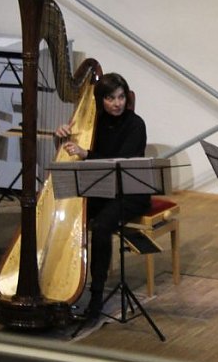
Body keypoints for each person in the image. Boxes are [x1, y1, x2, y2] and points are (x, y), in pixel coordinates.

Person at [55, 72, 149, 319]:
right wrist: (62, 137)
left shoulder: (135, 124)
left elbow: (121, 162)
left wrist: (86, 154)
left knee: (101, 227)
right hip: (101, 189)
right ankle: (60, 282)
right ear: (101, 100)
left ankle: (96, 297)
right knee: (65, 218)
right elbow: (70, 155)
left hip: (130, 192)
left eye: (120, 97)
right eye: (110, 98)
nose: (117, 103)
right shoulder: (92, 124)